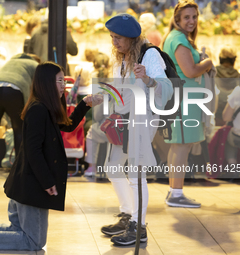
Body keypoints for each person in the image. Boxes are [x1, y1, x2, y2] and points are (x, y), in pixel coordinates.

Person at [0, 62, 99, 250]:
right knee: (34, 242)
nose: (63, 85)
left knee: (17, 229)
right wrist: (48, 182)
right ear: (46, 83)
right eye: (59, 81)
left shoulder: (45, 108)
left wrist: (85, 104)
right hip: (33, 185)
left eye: (63, 80)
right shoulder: (39, 110)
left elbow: (68, 124)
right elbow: (34, 151)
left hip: (25, 183)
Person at [99, 14, 173, 246]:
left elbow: (167, 88)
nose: (114, 42)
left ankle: (138, 226)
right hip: (123, 119)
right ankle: (127, 214)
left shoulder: (149, 54)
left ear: (132, 38)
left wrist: (149, 79)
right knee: (112, 167)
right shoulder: (120, 57)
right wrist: (100, 96)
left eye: (118, 38)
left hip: (143, 119)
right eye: (112, 37)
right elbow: (118, 89)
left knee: (135, 172)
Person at [161, 0, 213, 207]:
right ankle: (176, 194)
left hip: (181, 99)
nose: (192, 21)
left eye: (194, 17)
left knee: (178, 147)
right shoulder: (179, 39)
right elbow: (190, 71)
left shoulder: (175, 38)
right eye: (187, 17)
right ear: (177, 20)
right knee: (182, 147)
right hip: (185, 101)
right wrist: (207, 62)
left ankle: (174, 191)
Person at [215, 46, 240, 126]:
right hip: (231, 121)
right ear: (234, 60)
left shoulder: (212, 74)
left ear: (220, 59)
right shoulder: (238, 77)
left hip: (214, 118)